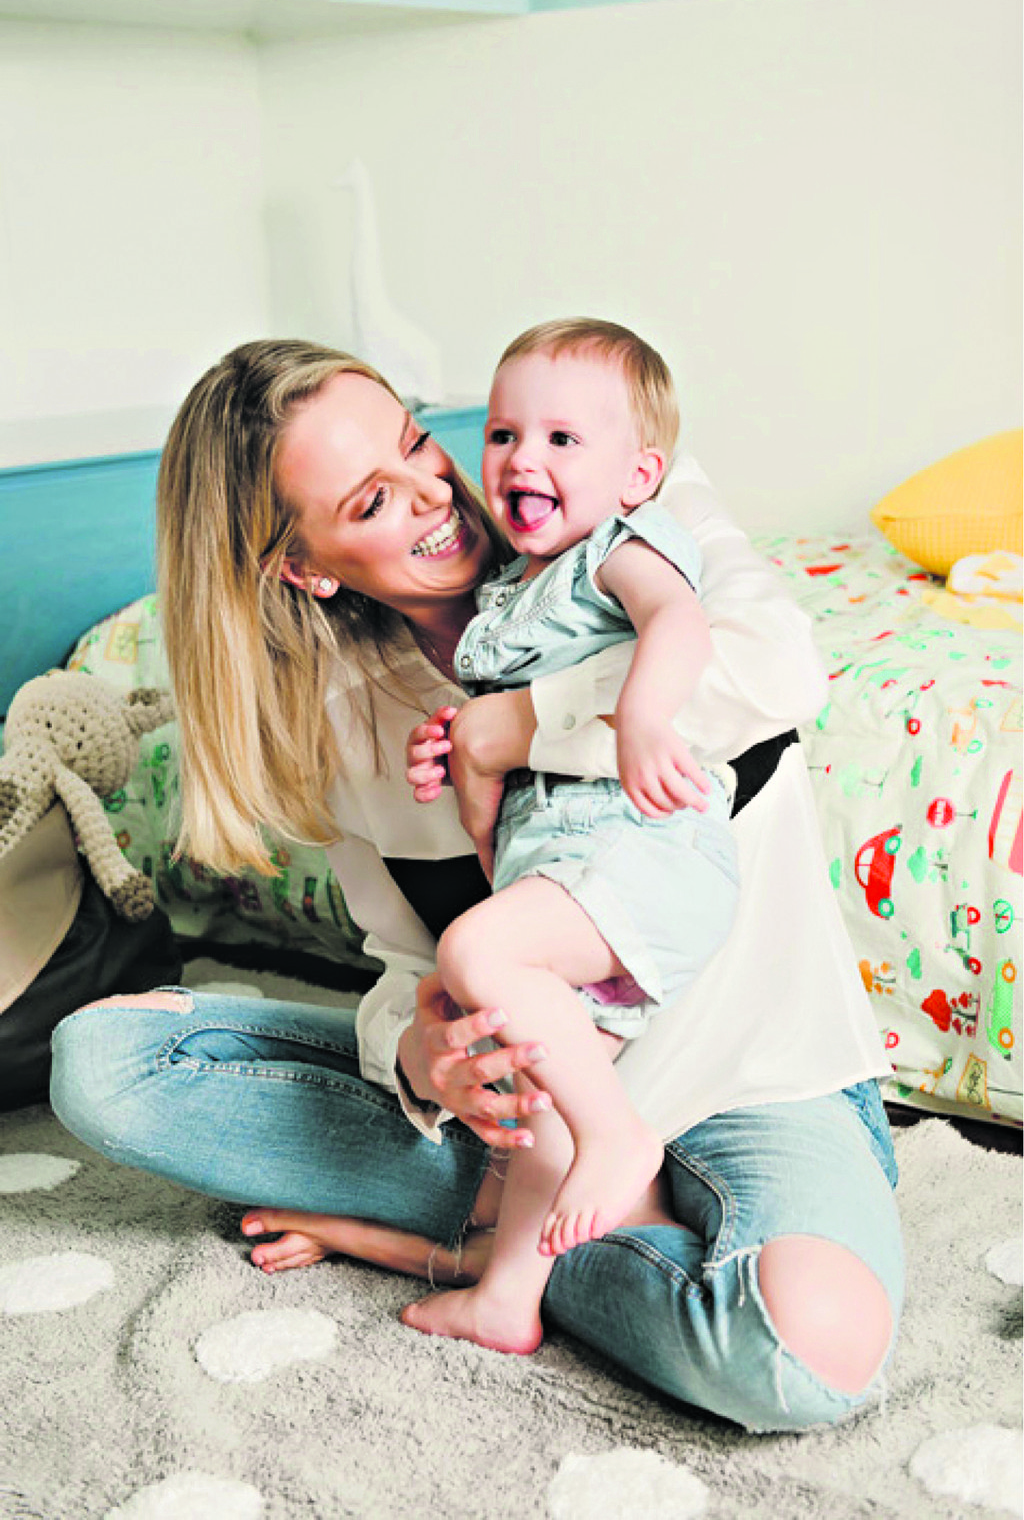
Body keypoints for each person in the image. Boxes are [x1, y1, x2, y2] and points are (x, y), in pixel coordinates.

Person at [49, 337, 903, 1433]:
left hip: (758, 1077)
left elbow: (778, 663)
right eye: (371, 500)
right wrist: (422, 1057)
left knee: (802, 1351)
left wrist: (515, 726)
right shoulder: (352, 715)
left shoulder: (621, 490)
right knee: (102, 1064)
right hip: (530, 1119)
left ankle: (473, 1245)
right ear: (301, 565)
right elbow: (406, 964)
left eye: (416, 440)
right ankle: (542, 1214)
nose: (439, 494)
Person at [401, 321, 739, 1353]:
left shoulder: (619, 550)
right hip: (568, 862)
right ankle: (509, 1293)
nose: (520, 461)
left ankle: (620, 1137)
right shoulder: (510, 590)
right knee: (537, 1074)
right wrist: (462, 756)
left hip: (641, 848)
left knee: (475, 948)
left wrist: (639, 717)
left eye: (560, 438)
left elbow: (681, 623)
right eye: (503, 435)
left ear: (637, 475)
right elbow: (493, 788)